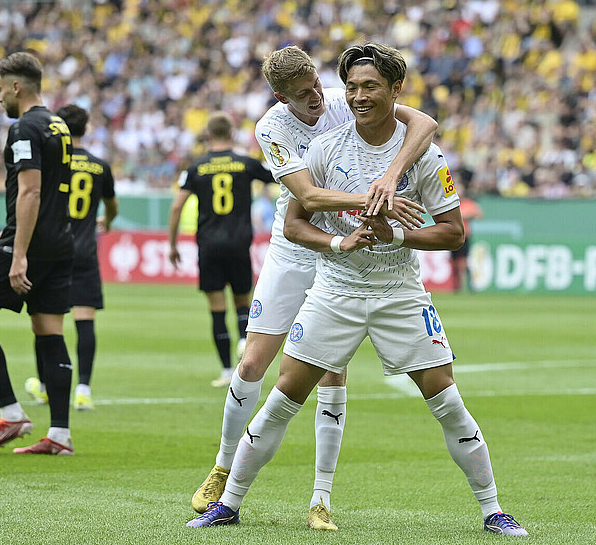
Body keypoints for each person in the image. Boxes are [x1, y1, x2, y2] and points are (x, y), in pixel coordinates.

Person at [187, 43, 527, 536]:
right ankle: (229, 500)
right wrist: (337, 242)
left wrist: (398, 233)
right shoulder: (323, 149)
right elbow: (295, 220)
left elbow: (454, 232)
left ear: (395, 90)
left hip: (399, 290)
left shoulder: (426, 158)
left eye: (370, 86)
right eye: (352, 87)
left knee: (446, 400)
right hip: (336, 287)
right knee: (282, 395)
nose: (357, 96)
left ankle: (493, 510)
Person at [0, 51, 76, 456]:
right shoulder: (59, 125)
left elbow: (30, 191)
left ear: (15, 86)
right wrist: (1, 237)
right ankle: (59, 434)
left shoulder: (24, 128)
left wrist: (17, 253)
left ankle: (11, 414)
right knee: (50, 333)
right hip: (61, 243)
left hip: (31, 246)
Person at [167, 112, 275, 387]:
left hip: (209, 243)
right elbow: (279, 177)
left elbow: (178, 205)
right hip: (239, 242)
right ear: (231, 134)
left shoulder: (196, 167)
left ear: (207, 135)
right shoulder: (246, 163)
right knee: (243, 303)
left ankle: (226, 370)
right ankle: (243, 350)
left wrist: (172, 243)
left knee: (216, 308)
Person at [24, 103, 118, 411]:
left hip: (52, 247)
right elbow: (112, 206)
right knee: (85, 320)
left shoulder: (52, 162)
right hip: (84, 250)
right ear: (86, 129)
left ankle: (46, 387)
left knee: (45, 320)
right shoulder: (100, 165)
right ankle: (83, 390)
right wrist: (107, 221)